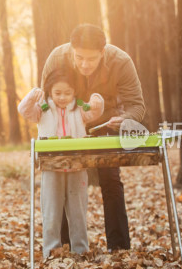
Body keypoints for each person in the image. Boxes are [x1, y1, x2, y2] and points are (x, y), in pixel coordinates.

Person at [27, 24, 146, 251]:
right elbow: (47, 104)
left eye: (91, 59)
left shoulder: (121, 61)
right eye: (79, 57)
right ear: (71, 50)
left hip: (106, 122)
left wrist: (125, 119)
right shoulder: (57, 58)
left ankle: (119, 247)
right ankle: (62, 247)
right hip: (66, 128)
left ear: (103, 52)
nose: (84, 65)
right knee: (59, 178)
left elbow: (137, 106)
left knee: (110, 178)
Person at [19, 66, 104, 258]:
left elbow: (96, 111)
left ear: (74, 91)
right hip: (51, 166)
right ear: (49, 91)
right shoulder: (43, 109)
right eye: (57, 93)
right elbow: (23, 110)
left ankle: (80, 250)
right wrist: (34, 94)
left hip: (77, 166)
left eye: (67, 92)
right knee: (51, 211)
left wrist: (97, 99)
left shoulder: (80, 108)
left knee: (78, 211)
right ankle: (50, 251)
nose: (62, 97)